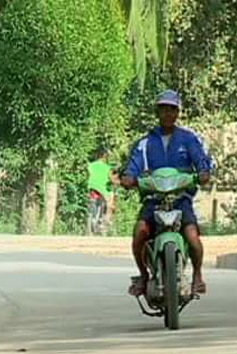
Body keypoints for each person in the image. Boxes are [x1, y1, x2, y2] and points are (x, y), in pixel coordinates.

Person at [120, 90, 212, 296]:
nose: (168, 113)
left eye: (172, 109)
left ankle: (198, 275)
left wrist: (204, 172)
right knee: (140, 233)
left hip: (181, 199)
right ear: (158, 112)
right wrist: (129, 177)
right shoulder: (145, 142)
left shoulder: (189, 139)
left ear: (178, 112)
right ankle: (143, 275)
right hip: (154, 200)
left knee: (192, 236)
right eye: (163, 109)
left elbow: (201, 161)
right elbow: (133, 166)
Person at [86, 147, 120, 229]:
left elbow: (88, 175)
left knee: (92, 201)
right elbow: (112, 179)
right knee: (110, 201)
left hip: (91, 188)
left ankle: (93, 220)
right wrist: (118, 182)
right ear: (105, 156)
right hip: (102, 190)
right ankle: (106, 220)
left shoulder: (91, 165)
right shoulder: (107, 168)